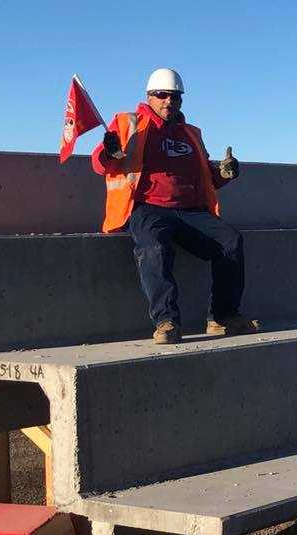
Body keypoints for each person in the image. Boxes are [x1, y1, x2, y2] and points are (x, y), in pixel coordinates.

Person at [91, 68, 260, 344]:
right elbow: (101, 163)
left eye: (175, 97)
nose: (169, 101)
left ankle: (223, 317)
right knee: (154, 247)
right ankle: (166, 321)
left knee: (230, 241)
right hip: (148, 208)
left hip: (191, 211)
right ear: (150, 96)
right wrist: (108, 151)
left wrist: (225, 173)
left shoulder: (190, 133)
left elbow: (206, 176)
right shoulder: (129, 123)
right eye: (162, 95)